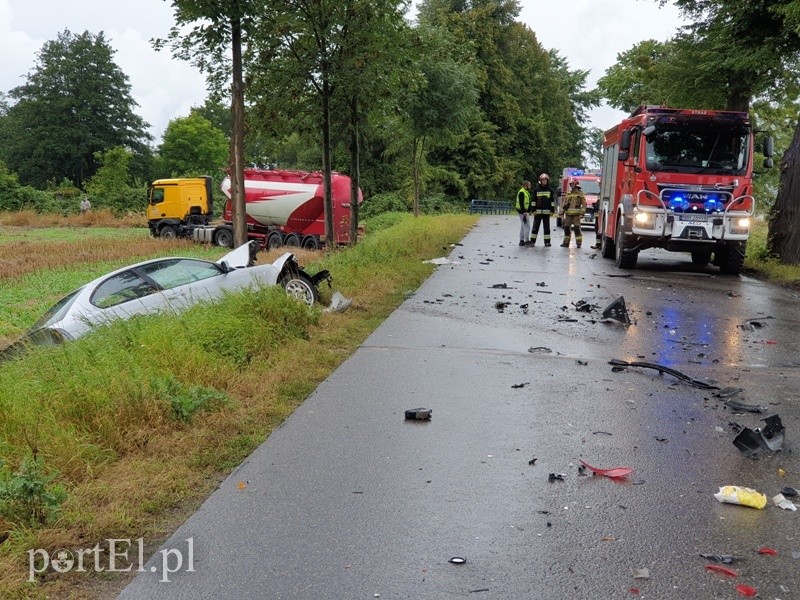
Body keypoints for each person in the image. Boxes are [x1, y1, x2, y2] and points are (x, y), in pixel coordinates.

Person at [529, 173, 555, 246]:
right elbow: (533, 201)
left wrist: (552, 210)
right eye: (543, 180)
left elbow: (552, 201)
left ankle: (547, 242)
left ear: (547, 181)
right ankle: (532, 241)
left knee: (547, 228)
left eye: (545, 180)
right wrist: (533, 210)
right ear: (540, 181)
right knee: (535, 227)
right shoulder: (536, 190)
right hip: (538, 212)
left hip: (546, 212)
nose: (544, 181)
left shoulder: (550, 190)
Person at [559, 179, 586, 248]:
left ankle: (579, 243)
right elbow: (564, 204)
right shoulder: (568, 194)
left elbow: (584, 204)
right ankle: (566, 243)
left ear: (576, 184)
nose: (571, 185)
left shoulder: (580, 194)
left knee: (577, 228)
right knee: (566, 228)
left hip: (576, 215)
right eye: (571, 184)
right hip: (568, 215)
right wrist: (561, 213)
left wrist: (582, 213)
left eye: (573, 184)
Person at [515, 180, 532, 246]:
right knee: (527, 226)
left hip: (522, 211)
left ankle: (521, 240)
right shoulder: (522, 192)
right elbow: (521, 203)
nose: (530, 186)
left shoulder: (525, 192)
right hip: (523, 212)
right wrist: (524, 212)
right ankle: (527, 241)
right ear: (526, 186)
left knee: (523, 226)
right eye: (529, 185)